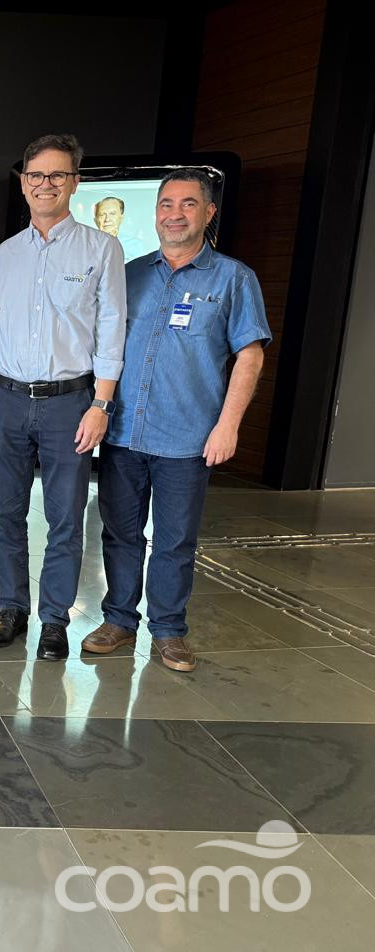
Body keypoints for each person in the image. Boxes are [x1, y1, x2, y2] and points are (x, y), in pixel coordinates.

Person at [82, 169, 270, 672]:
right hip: (123, 432)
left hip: (187, 437)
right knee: (119, 533)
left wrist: (228, 425)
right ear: (156, 213)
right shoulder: (131, 275)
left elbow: (250, 356)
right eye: (166, 204)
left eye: (188, 204)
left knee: (175, 541)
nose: (175, 214)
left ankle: (168, 630)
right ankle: (118, 620)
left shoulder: (233, 278)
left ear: (208, 213)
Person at [0, 133, 126, 661]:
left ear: (74, 183)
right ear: (23, 183)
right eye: (36, 175)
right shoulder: (5, 254)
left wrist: (101, 404)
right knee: (6, 514)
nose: (45, 184)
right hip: (8, 400)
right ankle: (11, 608)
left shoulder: (101, 249)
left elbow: (112, 329)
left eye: (57, 175)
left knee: (65, 518)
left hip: (70, 403)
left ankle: (54, 619)